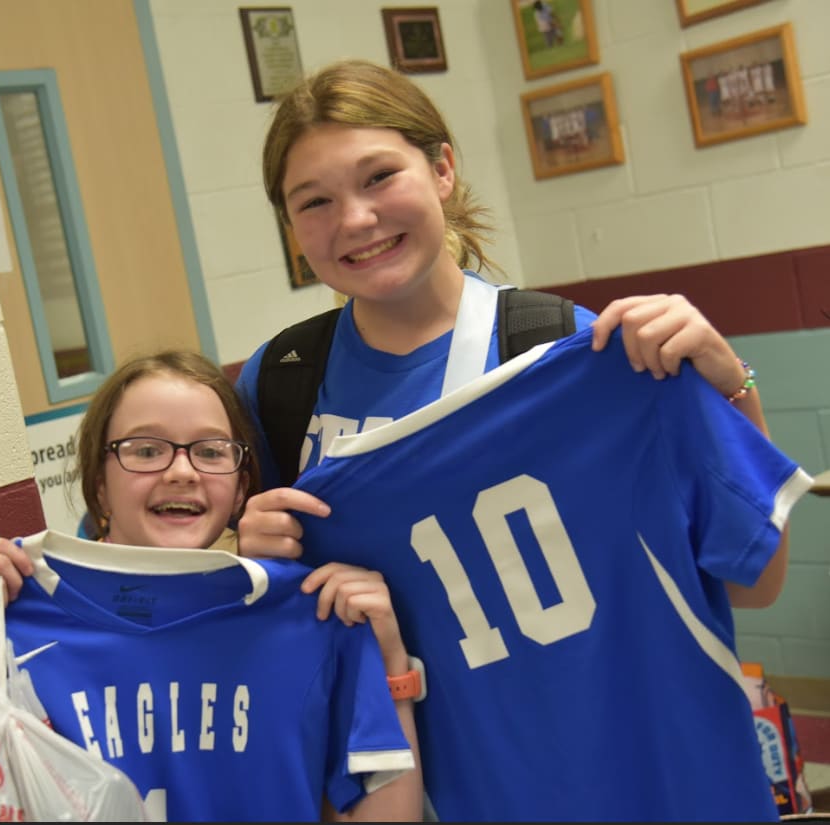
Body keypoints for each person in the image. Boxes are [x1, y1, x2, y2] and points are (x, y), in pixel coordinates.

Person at [233, 59, 809, 821]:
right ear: (292, 228)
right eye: (315, 201)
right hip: (416, 792)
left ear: (442, 168)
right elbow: (261, 631)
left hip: (632, 780)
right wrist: (254, 559)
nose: (356, 219)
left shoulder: (575, 353)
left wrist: (733, 386)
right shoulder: (281, 383)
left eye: (379, 177)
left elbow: (752, 580)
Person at [0, 350, 422, 823]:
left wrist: (391, 668)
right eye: (146, 450)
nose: (181, 471)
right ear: (98, 484)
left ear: (239, 487)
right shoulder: (19, 622)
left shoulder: (304, 614)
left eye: (210, 451)